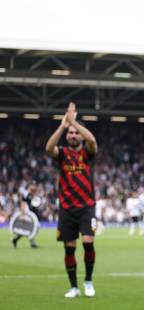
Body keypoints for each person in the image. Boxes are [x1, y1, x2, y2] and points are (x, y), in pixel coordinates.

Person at [45, 102, 98, 298]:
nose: (73, 135)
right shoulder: (63, 154)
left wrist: (74, 121)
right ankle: (74, 287)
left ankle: (89, 281)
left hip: (87, 207)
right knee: (69, 248)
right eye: (71, 133)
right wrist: (63, 126)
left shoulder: (88, 153)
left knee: (87, 241)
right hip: (66, 208)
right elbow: (49, 147)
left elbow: (92, 140)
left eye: (76, 133)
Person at [11, 184, 41, 249]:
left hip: (31, 214)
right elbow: (22, 204)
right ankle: (31, 242)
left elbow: (34, 203)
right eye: (33, 186)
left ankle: (15, 240)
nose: (34, 187)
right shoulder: (26, 194)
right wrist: (22, 215)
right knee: (32, 227)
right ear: (30, 186)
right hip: (27, 214)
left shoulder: (31, 194)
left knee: (28, 228)